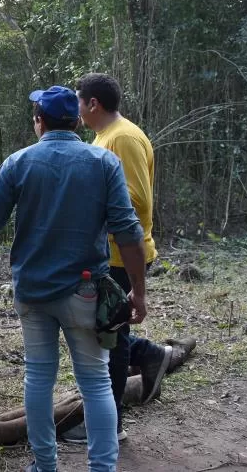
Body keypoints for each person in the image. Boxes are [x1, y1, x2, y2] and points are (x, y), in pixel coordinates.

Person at [0, 85, 149, 472]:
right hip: (86, 290)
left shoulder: (19, 163)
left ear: (39, 121)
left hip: (33, 291)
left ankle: (44, 465)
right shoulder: (102, 163)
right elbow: (129, 231)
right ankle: (102, 467)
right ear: (76, 120)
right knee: (96, 382)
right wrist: (138, 291)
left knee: (38, 377)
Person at [60, 73, 174, 444]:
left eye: (79, 101)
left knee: (111, 336)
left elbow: (137, 200)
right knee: (110, 330)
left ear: (93, 104)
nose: (76, 109)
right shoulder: (104, 137)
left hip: (123, 255)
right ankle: (150, 354)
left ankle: (109, 425)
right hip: (108, 253)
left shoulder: (122, 137)